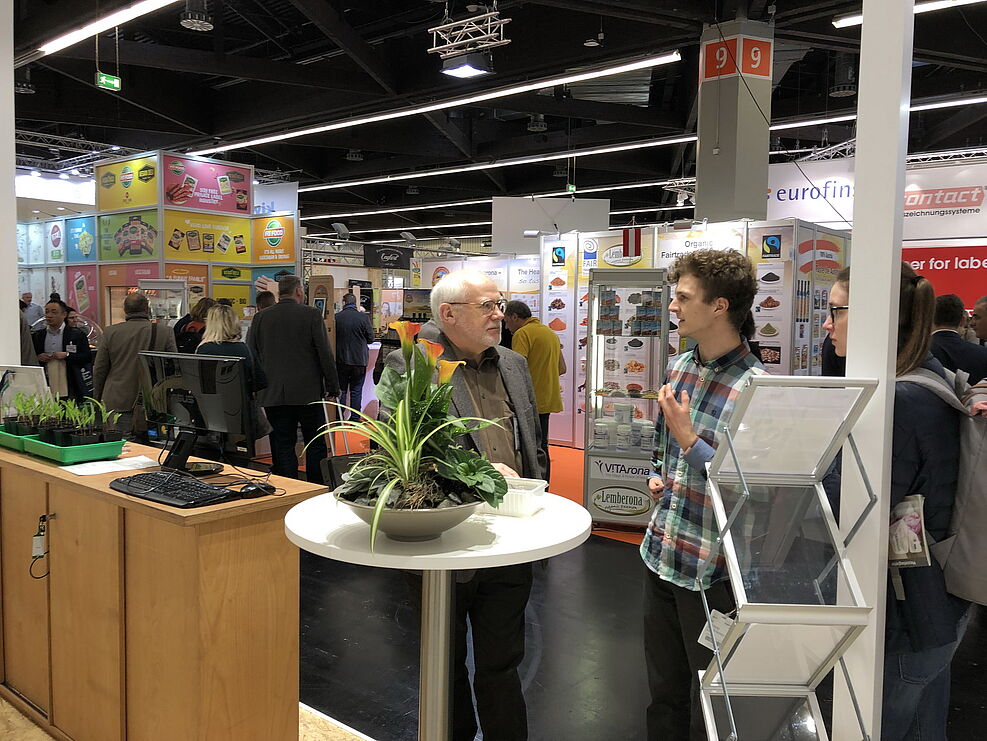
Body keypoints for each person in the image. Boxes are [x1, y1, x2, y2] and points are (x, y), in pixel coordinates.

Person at [386, 270, 547, 741]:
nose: (500, 314)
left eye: (500, 304)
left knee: (503, 662)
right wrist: (475, 479)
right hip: (444, 546)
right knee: (445, 665)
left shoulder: (513, 364)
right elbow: (404, 460)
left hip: (511, 543)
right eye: (487, 306)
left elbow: (532, 443)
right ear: (448, 314)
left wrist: (539, 500)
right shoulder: (410, 365)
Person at [823, 265, 970, 740]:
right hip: (940, 600)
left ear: (872, 318)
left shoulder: (899, 401)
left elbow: (850, 505)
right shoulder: (933, 375)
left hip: (908, 611)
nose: (826, 324)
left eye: (835, 311)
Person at [642, 249, 761, 741]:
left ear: (719, 306)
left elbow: (750, 491)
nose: (674, 305)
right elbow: (661, 447)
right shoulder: (679, 367)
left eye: (684, 297)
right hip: (662, 553)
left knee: (715, 697)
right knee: (663, 692)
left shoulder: (756, 389)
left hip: (711, 572)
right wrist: (659, 474)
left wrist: (691, 443)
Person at [248, 275, 338, 483]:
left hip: (273, 394)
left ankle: (287, 486)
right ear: (299, 291)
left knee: (281, 443)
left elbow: (253, 355)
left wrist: (257, 388)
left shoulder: (261, 318)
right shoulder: (312, 315)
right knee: (315, 442)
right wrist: (333, 386)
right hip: (309, 393)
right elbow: (324, 353)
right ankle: (316, 486)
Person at [93, 292, 177, 437]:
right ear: (146, 309)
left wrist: (97, 399)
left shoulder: (111, 332)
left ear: (125, 310)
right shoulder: (165, 332)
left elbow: (100, 369)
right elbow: (175, 366)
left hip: (117, 399)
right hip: (153, 402)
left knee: (120, 446)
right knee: (155, 447)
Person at [503, 300, 564, 479]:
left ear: (514, 317)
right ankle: (544, 485)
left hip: (529, 401)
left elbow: (514, 370)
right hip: (548, 398)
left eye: (506, 321)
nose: (506, 327)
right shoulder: (550, 333)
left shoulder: (522, 334)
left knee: (528, 447)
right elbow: (562, 368)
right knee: (542, 446)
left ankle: (533, 484)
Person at [197, 304, 270, 438]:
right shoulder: (243, 349)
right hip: (242, 415)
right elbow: (259, 382)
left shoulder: (204, 350)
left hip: (213, 415)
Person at [31, 298, 93, 402]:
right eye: (47, 312)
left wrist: (67, 355)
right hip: (46, 382)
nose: (49, 315)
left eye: (54, 312)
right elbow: (33, 356)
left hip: (71, 384)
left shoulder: (77, 335)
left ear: (64, 314)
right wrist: (38, 357)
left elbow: (87, 357)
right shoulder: (39, 335)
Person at [334, 293, 374, 420]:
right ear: (356, 303)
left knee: (342, 390)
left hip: (341, 359)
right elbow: (371, 339)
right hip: (359, 360)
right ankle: (355, 419)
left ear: (344, 302)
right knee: (356, 390)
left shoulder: (336, 318)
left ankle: (339, 418)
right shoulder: (363, 318)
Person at [930, 293, 987, 384]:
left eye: (977, 317)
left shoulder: (918, 353)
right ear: (963, 320)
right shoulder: (983, 355)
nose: (972, 323)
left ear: (930, 319)